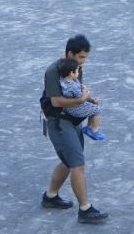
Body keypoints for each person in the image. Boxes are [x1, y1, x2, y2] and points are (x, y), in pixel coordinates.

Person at [40, 34, 109, 223]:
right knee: (77, 164)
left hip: (72, 120)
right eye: (81, 57)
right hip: (59, 122)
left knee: (69, 161)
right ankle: (85, 209)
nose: (83, 62)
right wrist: (81, 100)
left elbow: (77, 90)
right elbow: (56, 101)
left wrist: (88, 98)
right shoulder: (54, 71)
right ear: (70, 53)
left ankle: (51, 197)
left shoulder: (75, 67)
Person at [57, 59, 105, 140]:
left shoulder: (63, 81)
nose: (78, 73)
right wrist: (85, 91)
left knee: (93, 106)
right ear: (72, 73)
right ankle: (94, 130)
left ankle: (89, 127)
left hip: (68, 107)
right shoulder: (73, 86)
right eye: (77, 71)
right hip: (75, 108)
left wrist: (90, 99)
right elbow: (81, 97)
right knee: (98, 110)